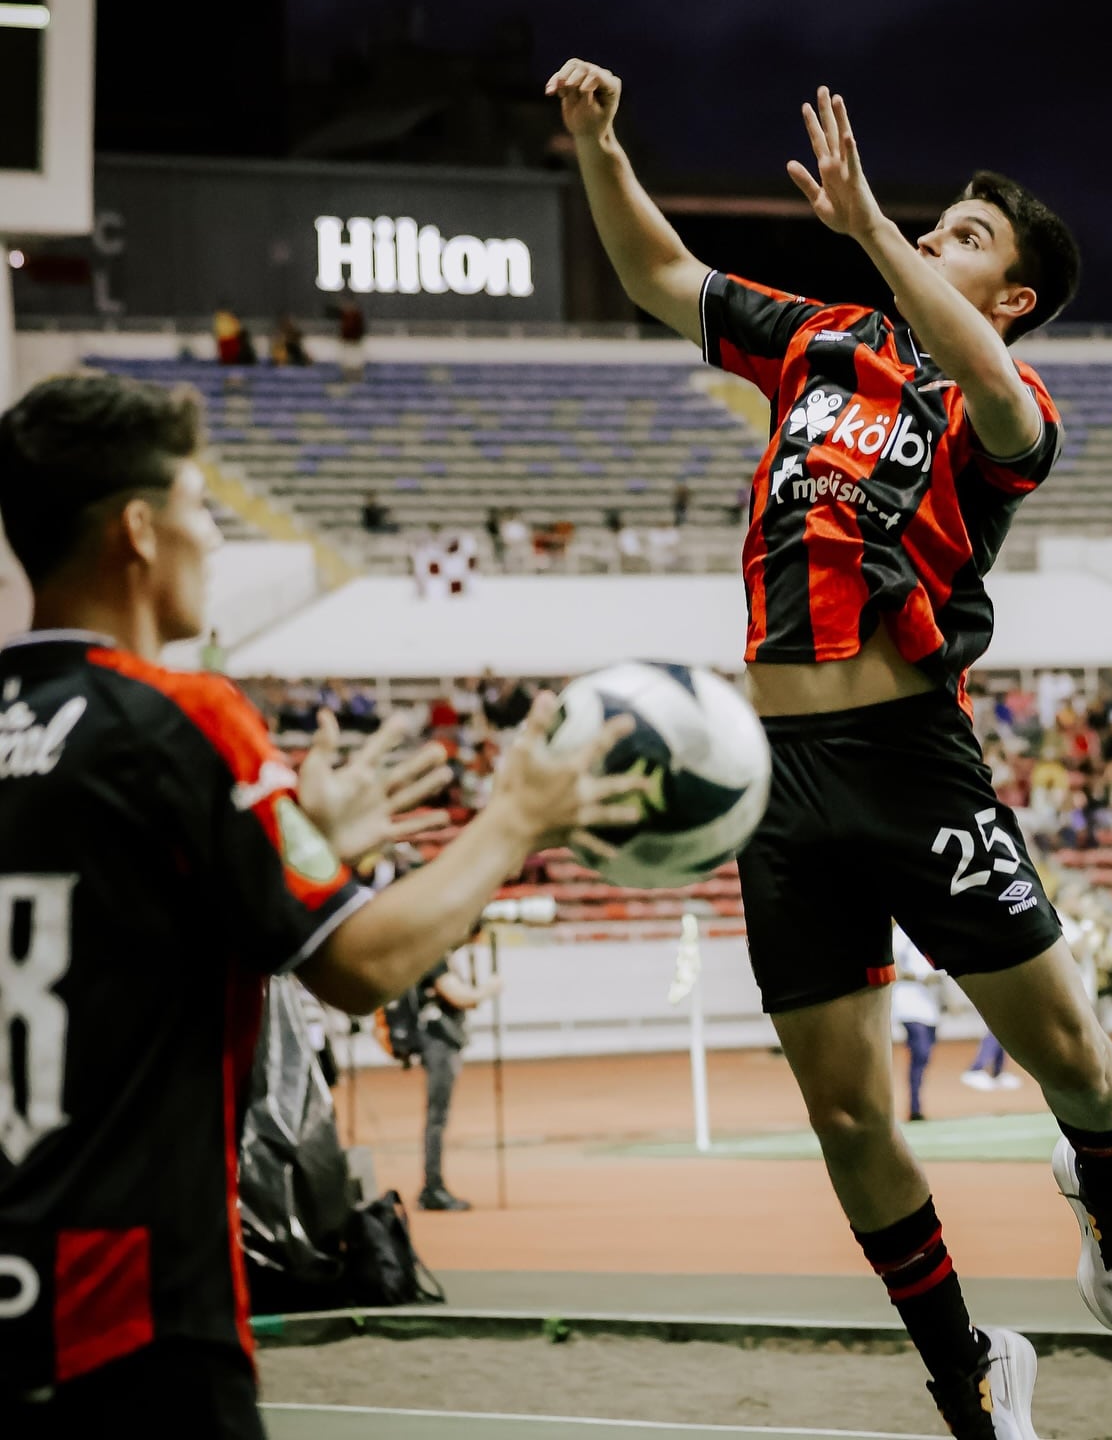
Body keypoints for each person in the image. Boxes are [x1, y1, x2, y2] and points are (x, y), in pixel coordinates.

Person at [548, 59, 1112, 1440]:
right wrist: (600, 147)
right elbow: (659, 274)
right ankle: (969, 1368)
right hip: (775, 778)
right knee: (843, 1114)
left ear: (1013, 297)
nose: (933, 235)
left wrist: (876, 227)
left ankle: (1111, 1184)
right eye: (932, 223)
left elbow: (993, 390)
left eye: (965, 236)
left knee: (1070, 1054)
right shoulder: (816, 338)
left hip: (910, 758)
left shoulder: (1005, 403)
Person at [0, 373, 638, 1435]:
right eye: (200, 507)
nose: (215, 536)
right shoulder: (179, 719)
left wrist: (304, 858)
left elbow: (123, 916)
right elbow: (358, 967)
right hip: (130, 1317)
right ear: (140, 532)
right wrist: (514, 821)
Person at [416, 954, 502, 1210]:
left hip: (443, 1045)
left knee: (437, 1118)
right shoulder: (434, 960)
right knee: (437, 1118)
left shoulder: (438, 959)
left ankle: (433, 1185)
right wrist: (489, 988)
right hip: (439, 1045)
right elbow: (462, 997)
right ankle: (433, 1187)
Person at [892, 926, 944, 1122]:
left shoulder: (930, 928)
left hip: (930, 1005)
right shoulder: (899, 935)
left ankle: (917, 1103)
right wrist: (921, 977)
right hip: (908, 1002)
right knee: (920, 1051)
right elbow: (895, 966)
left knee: (925, 1056)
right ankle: (914, 1106)